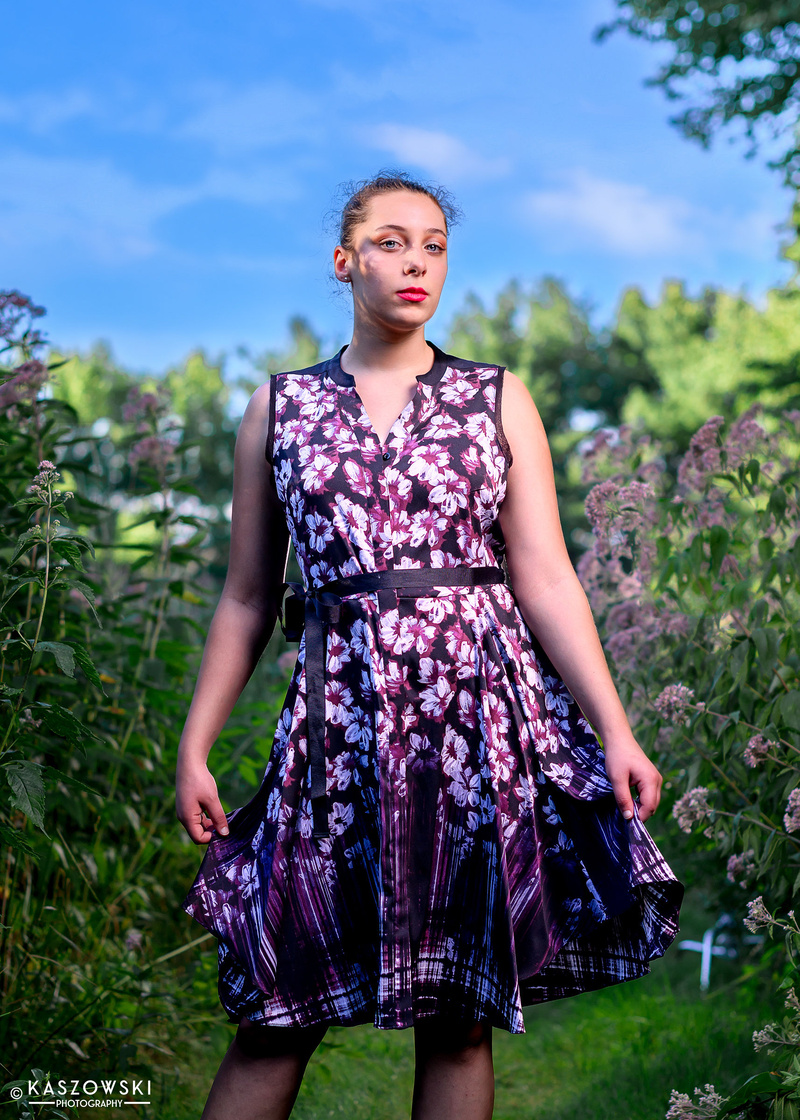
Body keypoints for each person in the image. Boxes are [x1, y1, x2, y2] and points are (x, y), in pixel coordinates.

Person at [176, 170, 684, 1120]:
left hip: (476, 735)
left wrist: (617, 731)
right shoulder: (277, 410)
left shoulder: (497, 397)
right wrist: (193, 745)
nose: (416, 262)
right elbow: (247, 596)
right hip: (335, 740)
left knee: (460, 1014)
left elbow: (546, 579)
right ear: (343, 261)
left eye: (435, 245)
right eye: (390, 241)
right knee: (273, 1007)